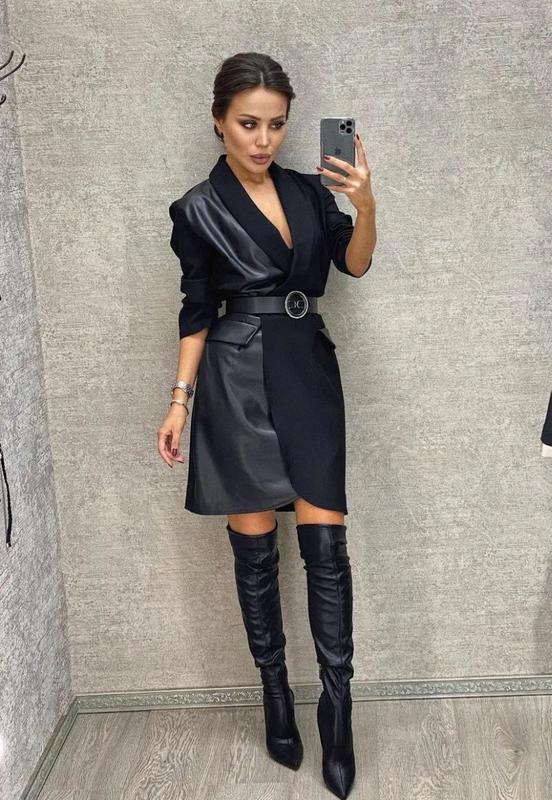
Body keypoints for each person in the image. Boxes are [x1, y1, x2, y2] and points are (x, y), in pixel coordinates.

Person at [157, 52, 377, 800]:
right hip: (235, 378)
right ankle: (275, 693)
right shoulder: (197, 209)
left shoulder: (311, 192)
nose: (263, 139)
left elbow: (354, 264)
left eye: (276, 125)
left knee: (326, 547)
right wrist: (179, 400)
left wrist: (366, 203)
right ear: (219, 121)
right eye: (248, 123)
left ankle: (337, 713)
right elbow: (195, 311)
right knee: (255, 553)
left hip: (306, 368)